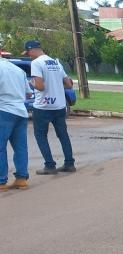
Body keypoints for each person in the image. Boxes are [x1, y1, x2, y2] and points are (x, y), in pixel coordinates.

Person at [24, 40, 76, 174]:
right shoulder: (56, 62)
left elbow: (40, 86)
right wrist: (56, 86)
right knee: (63, 135)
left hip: (43, 106)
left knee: (40, 135)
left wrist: (32, 83)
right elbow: (69, 84)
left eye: (28, 52)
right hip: (59, 105)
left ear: (32, 50)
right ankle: (69, 163)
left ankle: (50, 165)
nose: (29, 55)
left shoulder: (36, 63)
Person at [0, 56, 30, 190]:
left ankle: (1, 181)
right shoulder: (18, 70)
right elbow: (28, 93)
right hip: (21, 111)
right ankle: (21, 178)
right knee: (20, 147)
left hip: (3, 110)